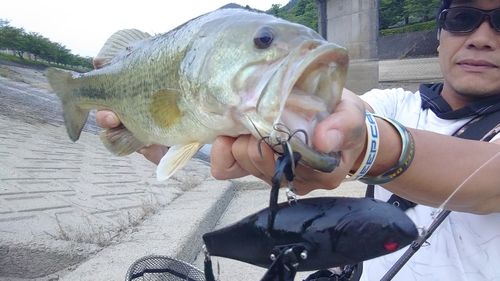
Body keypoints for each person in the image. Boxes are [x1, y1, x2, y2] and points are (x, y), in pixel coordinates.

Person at [96, 0, 500, 279]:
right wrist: (165, 136)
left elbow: (486, 181)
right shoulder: (399, 103)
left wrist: (362, 146)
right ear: (440, 35)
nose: (481, 37)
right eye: (463, 18)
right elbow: (348, 108)